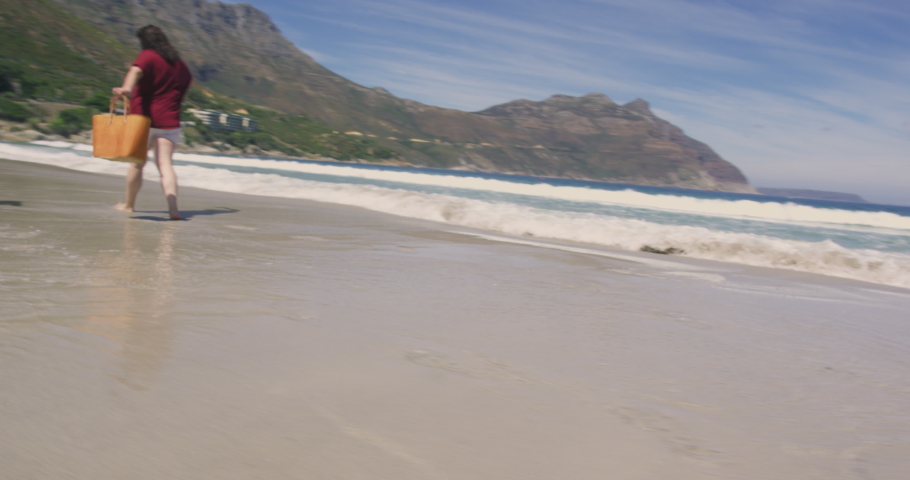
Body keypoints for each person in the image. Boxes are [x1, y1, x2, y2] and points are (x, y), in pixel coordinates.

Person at [113, 25, 193, 220]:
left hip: (144, 119)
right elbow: (188, 81)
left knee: (137, 165)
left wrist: (126, 88)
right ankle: (173, 209)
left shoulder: (148, 55)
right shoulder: (180, 64)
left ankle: (129, 205)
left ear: (145, 41)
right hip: (169, 121)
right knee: (166, 166)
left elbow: (136, 71)